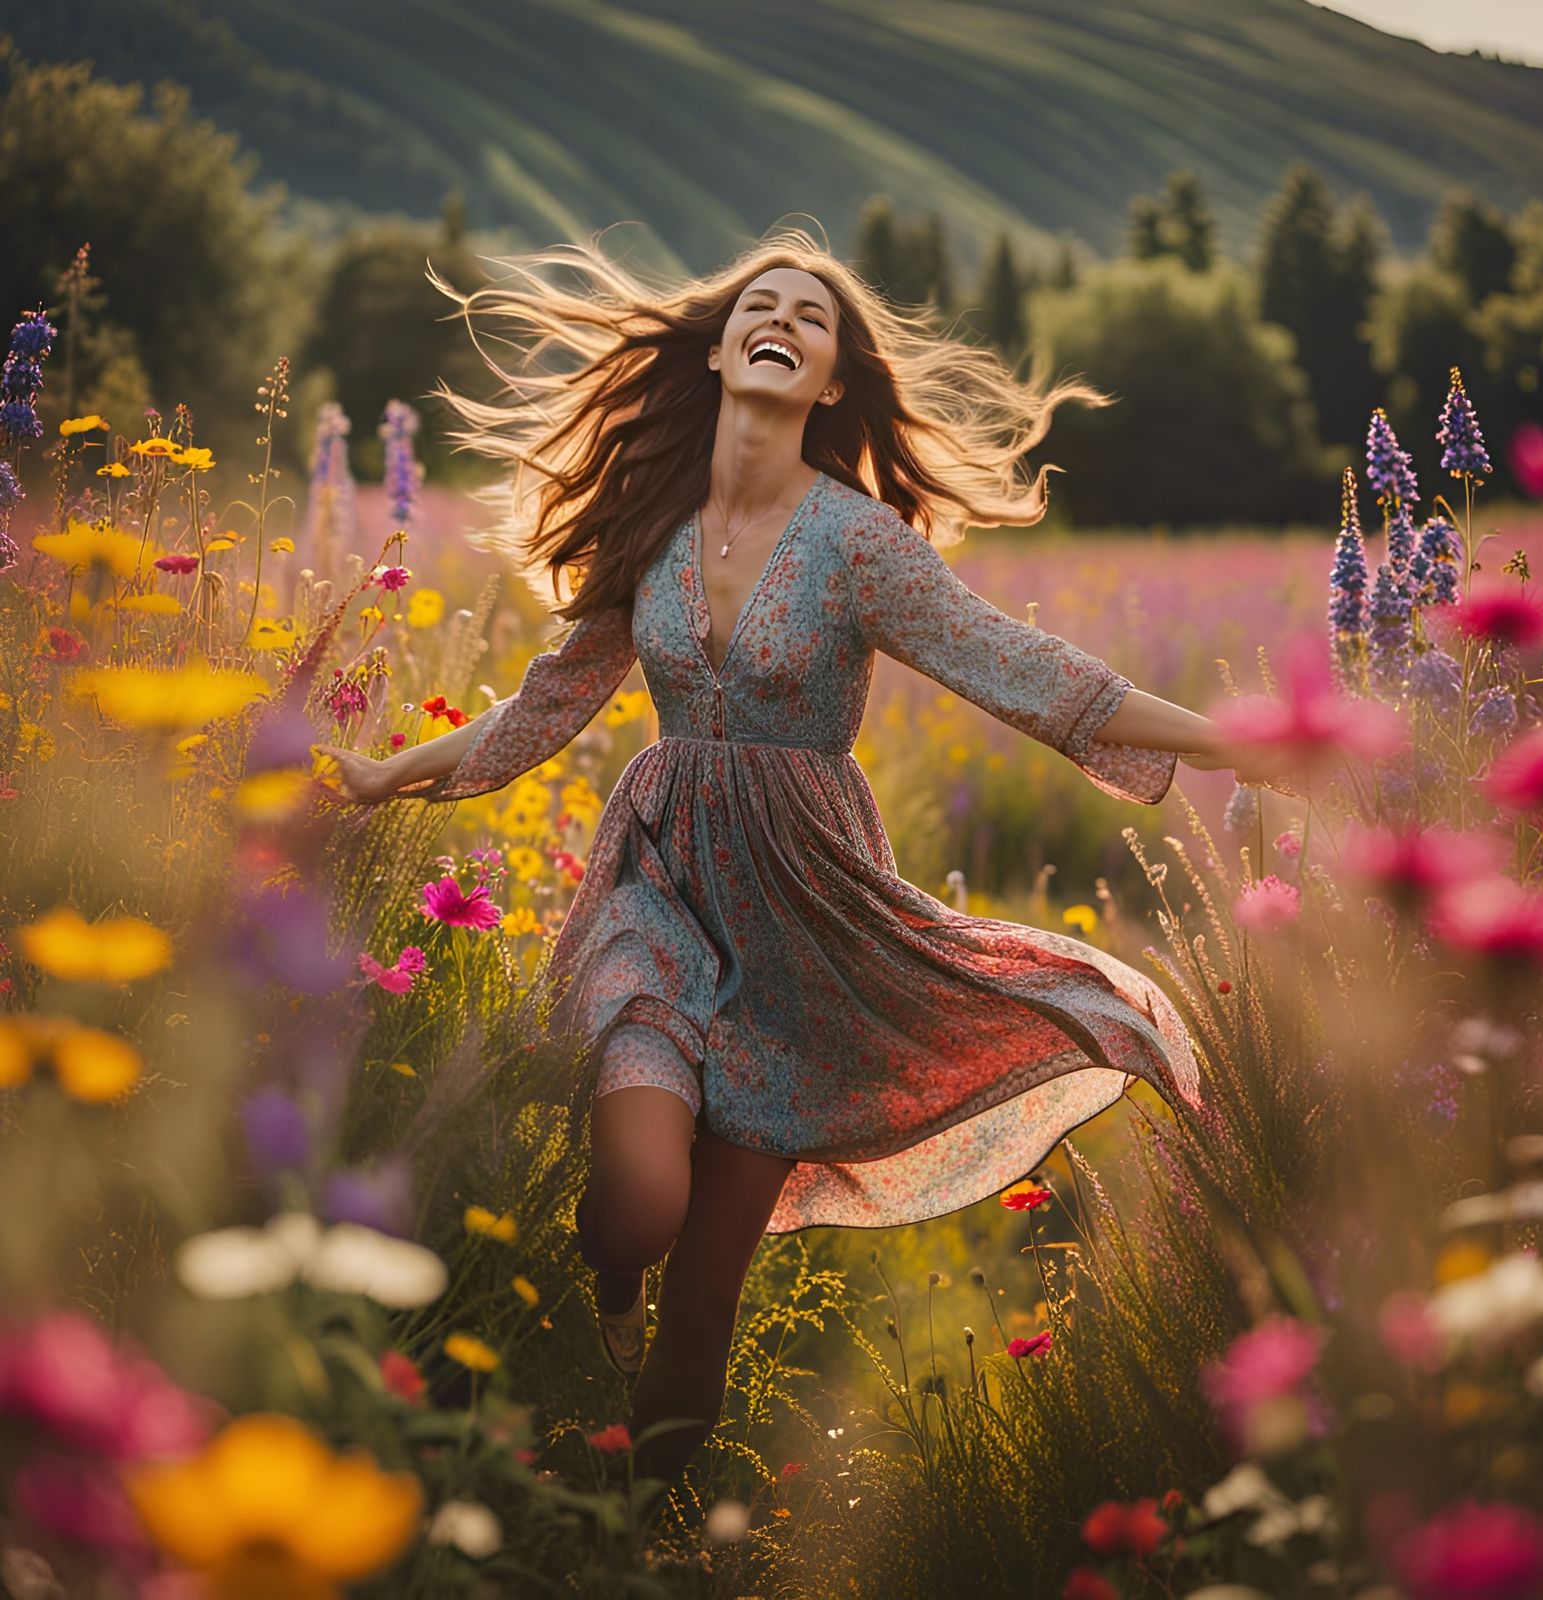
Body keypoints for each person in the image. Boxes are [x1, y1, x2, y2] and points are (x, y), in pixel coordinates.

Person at [313, 230, 1298, 1511]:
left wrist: (1231, 740)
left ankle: (635, 1533)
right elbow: (544, 705)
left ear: (831, 381)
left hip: (806, 927)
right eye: (760, 306)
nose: (782, 320)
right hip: (656, 888)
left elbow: (1022, 667)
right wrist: (386, 777)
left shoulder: (859, 544)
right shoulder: (652, 529)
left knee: (707, 1293)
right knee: (635, 1207)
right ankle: (610, 1270)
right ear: (721, 349)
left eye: (812, 318)